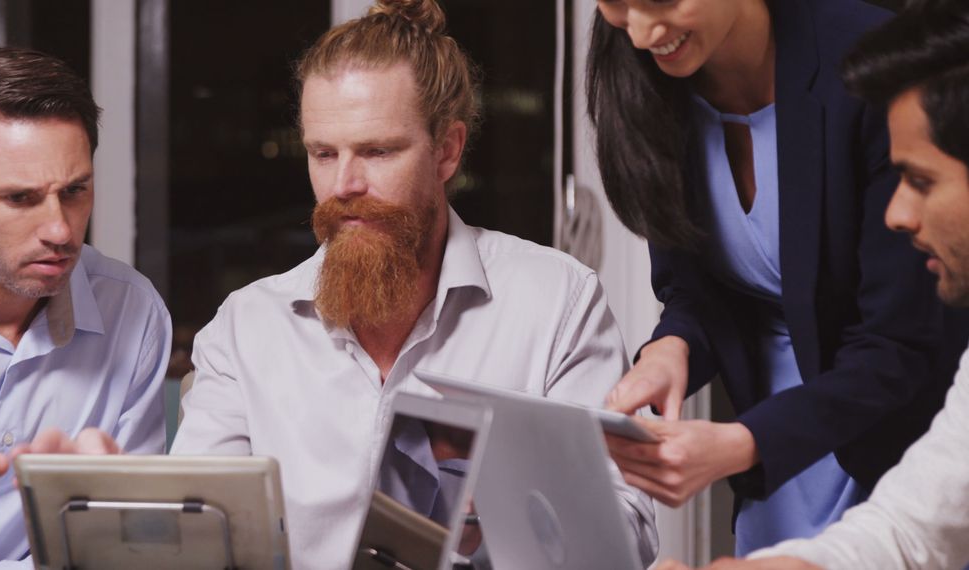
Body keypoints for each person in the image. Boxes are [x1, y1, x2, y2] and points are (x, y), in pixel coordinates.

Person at [170, 1, 657, 568]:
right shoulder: (245, 329)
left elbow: (629, 537)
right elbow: (196, 540)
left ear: (447, 150)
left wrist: (507, 520)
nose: (344, 185)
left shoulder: (557, 305)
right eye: (323, 154)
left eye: (378, 151)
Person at [587, 0, 969, 556]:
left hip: (890, 429)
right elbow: (692, 290)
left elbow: (899, 339)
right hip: (779, 455)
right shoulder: (650, 85)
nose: (642, 34)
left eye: (663, 0)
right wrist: (671, 350)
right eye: (618, 5)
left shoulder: (872, 65)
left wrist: (747, 442)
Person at [0, 46, 171, 568]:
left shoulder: (132, 311)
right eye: (20, 198)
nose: (61, 230)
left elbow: (141, 543)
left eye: (75, 191)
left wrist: (122, 511)